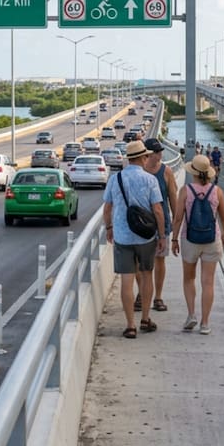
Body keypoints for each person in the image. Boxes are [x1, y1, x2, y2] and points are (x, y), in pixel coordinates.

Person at [102, 140, 166, 339]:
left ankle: (130, 325)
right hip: (146, 237)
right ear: (143, 158)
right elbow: (157, 210)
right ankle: (145, 319)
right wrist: (162, 235)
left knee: (126, 280)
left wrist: (109, 228)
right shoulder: (150, 180)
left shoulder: (115, 179)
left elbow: (107, 208)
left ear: (129, 159)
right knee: (147, 275)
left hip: (122, 236)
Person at [171, 155, 224, 334]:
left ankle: (191, 315)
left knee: (189, 279)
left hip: (190, 239)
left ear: (193, 172)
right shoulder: (217, 191)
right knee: (208, 282)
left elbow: (178, 218)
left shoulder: (185, 191)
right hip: (212, 239)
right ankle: (205, 323)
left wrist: (174, 239)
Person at [138, 138, 177, 314]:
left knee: (160, 260)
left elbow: (173, 198)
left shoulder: (166, 171)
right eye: (157, 151)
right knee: (140, 262)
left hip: (162, 223)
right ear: (147, 154)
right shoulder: (139, 172)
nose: (160, 154)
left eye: (160, 151)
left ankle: (158, 297)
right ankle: (141, 294)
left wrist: (176, 221)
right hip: (141, 223)